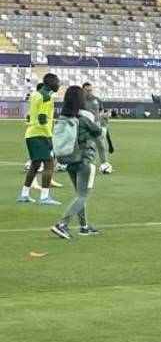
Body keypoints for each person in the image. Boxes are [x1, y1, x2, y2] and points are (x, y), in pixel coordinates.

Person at [48, 86, 104, 239]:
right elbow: (98, 132)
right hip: (85, 159)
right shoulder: (83, 118)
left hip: (69, 159)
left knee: (79, 195)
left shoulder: (64, 117)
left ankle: (84, 226)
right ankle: (62, 224)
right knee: (83, 195)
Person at [19, 72, 61, 205]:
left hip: (31, 133)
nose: (58, 84)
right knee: (49, 163)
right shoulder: (46, 97)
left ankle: (24, 194)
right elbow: (43, 119)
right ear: (51, 83)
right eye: (57, 82)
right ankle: (44, 197)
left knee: (35, 165)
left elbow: (30, 115)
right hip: (40, 134)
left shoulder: (36, 94)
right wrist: (49, 136)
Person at [81, 82, 113, 175]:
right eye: (87, 90)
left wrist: (104, 116)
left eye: (91, 90)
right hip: (84, 127)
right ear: (83, 90)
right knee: (85, 147)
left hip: (96, 127)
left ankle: (105, 164)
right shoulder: (79, 100)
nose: (89, 92)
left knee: (101, 145)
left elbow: (101, 112)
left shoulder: (96, 100)